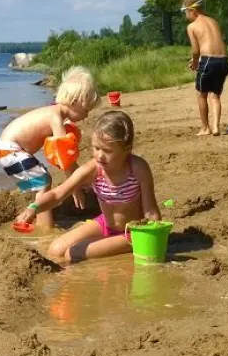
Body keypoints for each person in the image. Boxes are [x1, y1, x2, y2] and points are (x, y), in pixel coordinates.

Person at [19, 111, 161, 264]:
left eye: (107, 151)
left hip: (133, 232)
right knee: (55, 250)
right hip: (105, 224)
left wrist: (151, 241)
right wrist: (33, 207)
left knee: (73, 254)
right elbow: (58, 194)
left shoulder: (138, 168)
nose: (99, 156)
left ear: (127, 149)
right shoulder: (94, 169)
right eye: (96, 148)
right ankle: (104, 244)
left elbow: (151, 212)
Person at [0, 66, 98, 229]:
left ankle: (35, 217)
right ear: (74, 102)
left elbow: (64, 157)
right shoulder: (55, 118)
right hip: (10, 149)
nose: (87, 115)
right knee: (44, 181)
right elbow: (64, 159)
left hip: (9, 149)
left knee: (41, 181)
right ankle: (45, 227)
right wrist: (75, 187)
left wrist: (79, 178)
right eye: (86, 110)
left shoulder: (54, 112)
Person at [182, 0, 228, 136]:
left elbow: (196, 50)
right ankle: (216, 126)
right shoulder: (214, 21)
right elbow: (215, 43)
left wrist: (195, 62)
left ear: (192, 10)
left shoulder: (192, 26)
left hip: (208, 61)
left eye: (184, 11)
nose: (185, 15)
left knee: (201, 94)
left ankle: (205, 128)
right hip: (223, 61)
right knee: (215, 95)